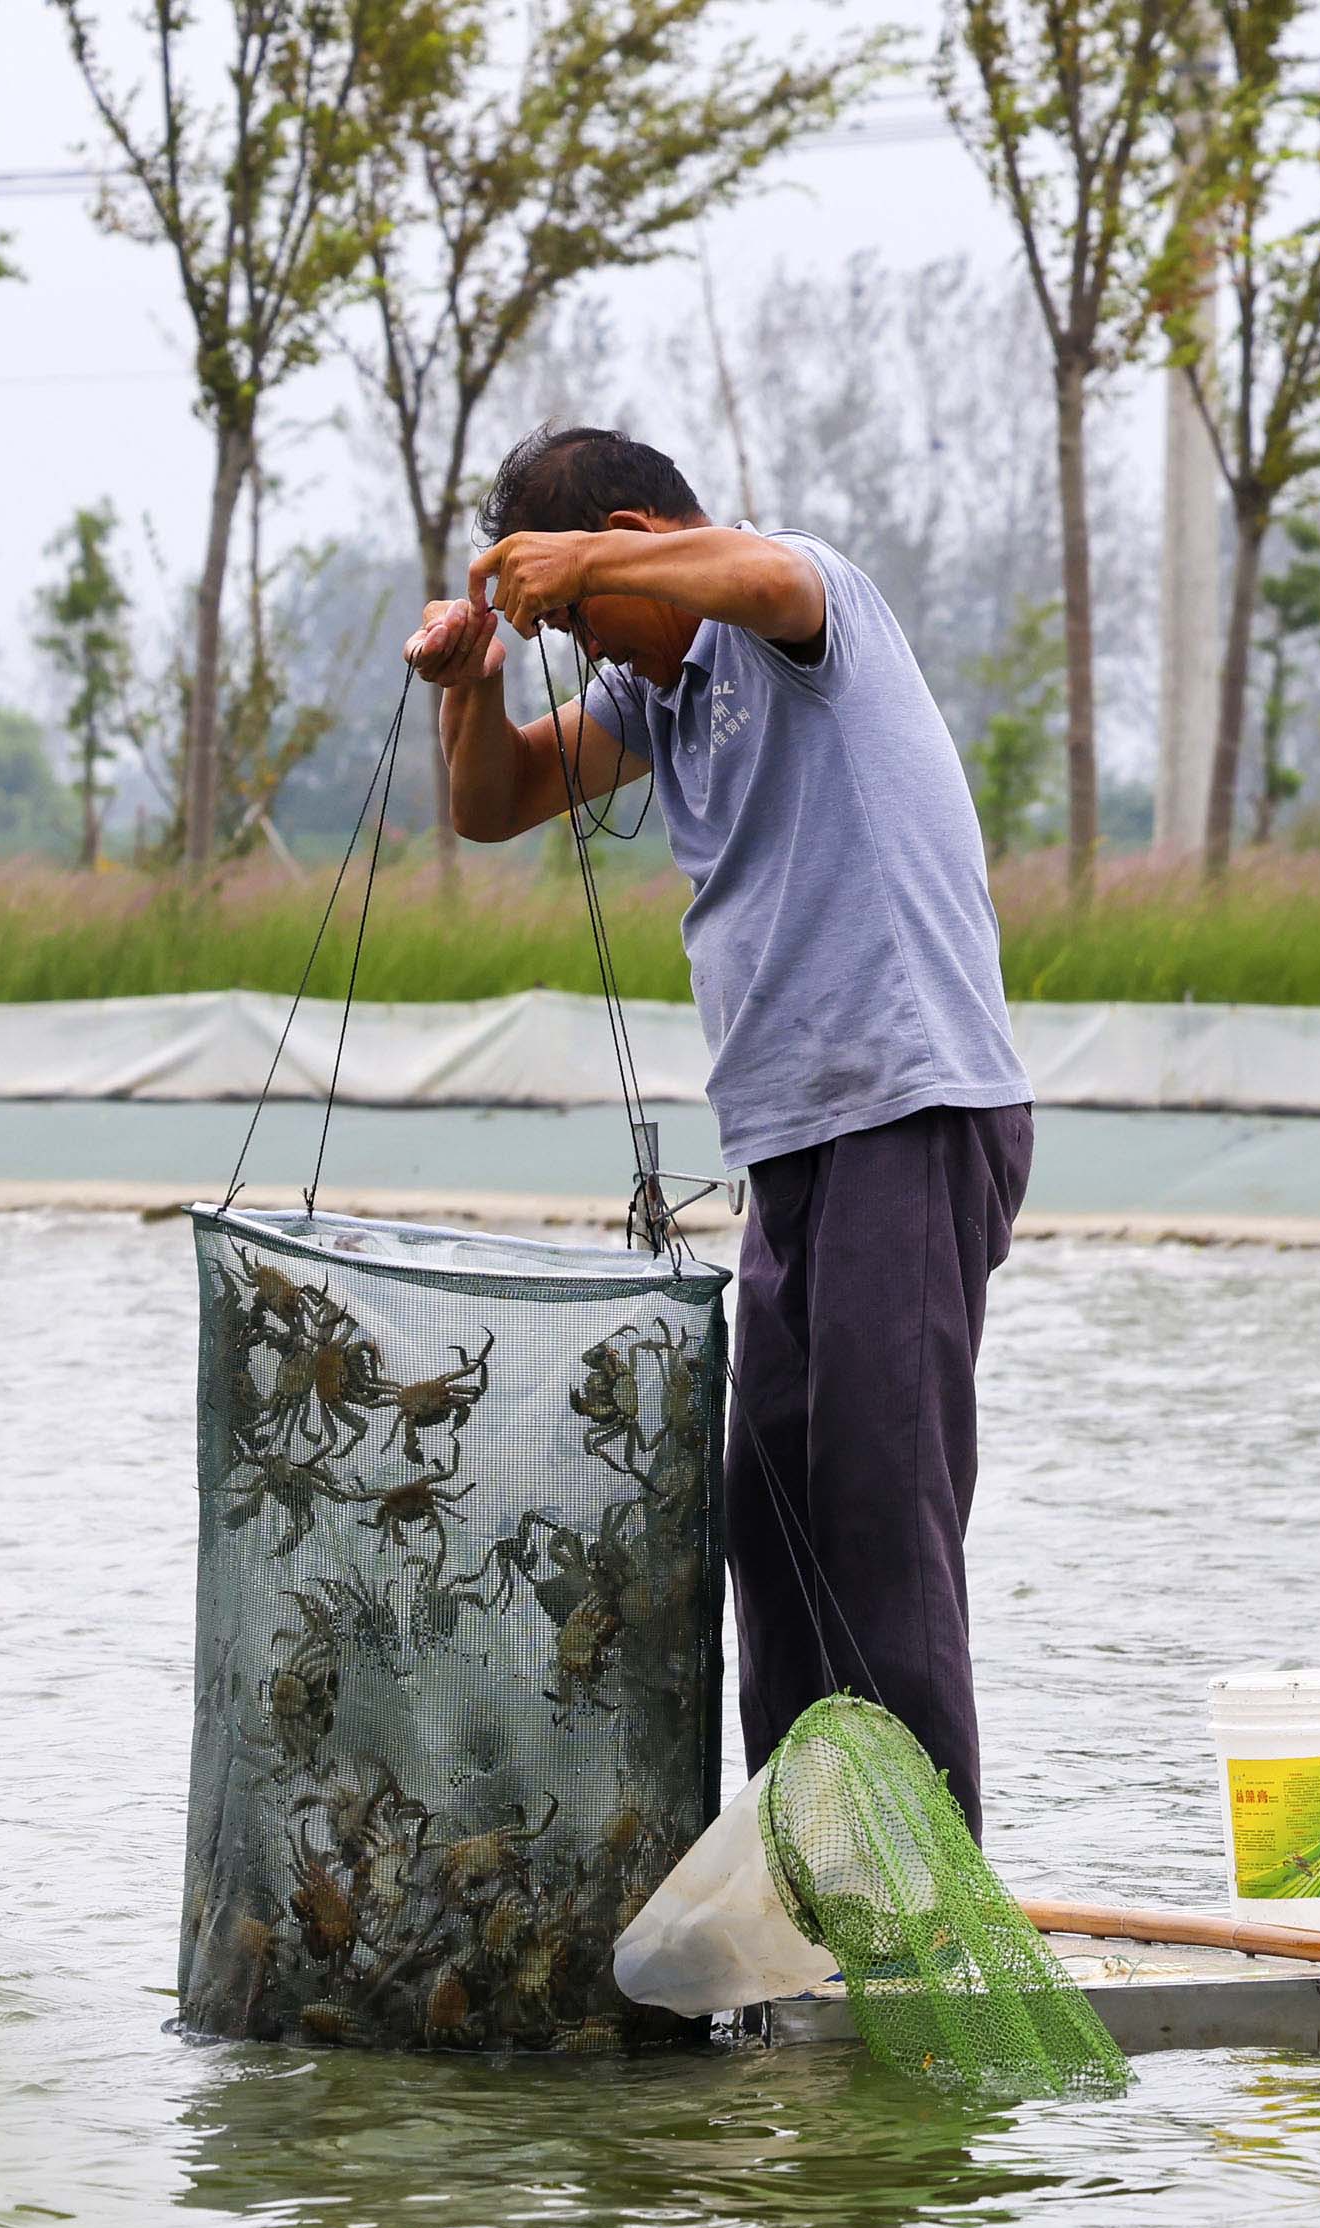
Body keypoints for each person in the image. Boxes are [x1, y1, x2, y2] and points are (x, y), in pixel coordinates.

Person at [403, 424, 1037, 1829]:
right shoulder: (662, 697)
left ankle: (931, 1903)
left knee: (880, 1520)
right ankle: (812, 1872)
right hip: (792, 1147)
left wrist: (600, 563)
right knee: (769, 1520)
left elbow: (755, 576)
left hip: (911, 1112)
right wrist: (474, 686)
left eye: (580, 615)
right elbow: (495, 804)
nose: (591, 650)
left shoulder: (804, 609)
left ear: (638, 531)